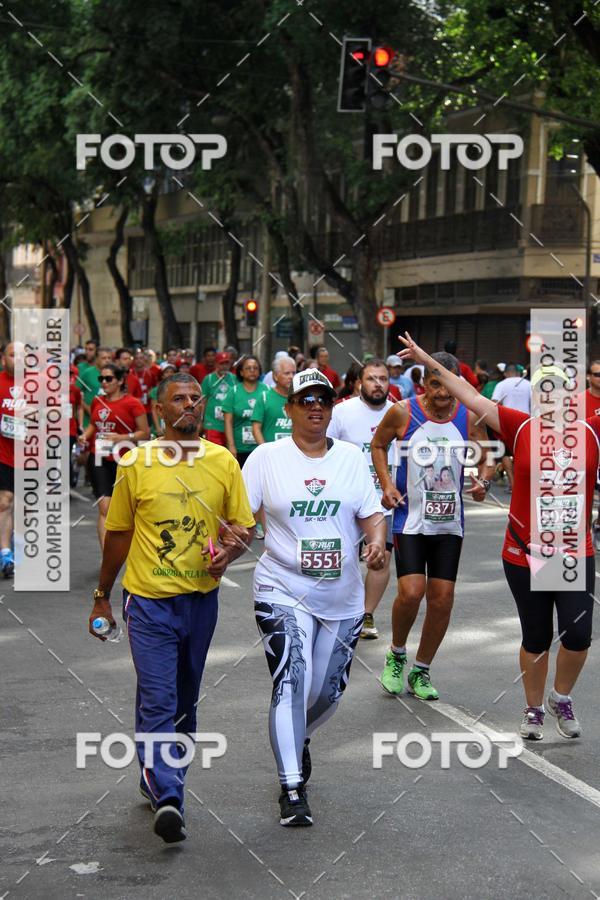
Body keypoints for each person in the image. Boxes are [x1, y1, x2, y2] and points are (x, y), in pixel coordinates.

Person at [396, 332, 599, 741]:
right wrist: (423, 358)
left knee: (577, 636)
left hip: (573, 551)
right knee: (537, 635)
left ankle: (561, 697)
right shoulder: (519, 427)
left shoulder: (592, 431)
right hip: (524, 551)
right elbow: (467, 393)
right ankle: (533, 709)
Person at [89, 373, 255, 843]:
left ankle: (154, 773)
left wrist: (230, 551)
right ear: (159, 409)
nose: (188, 404)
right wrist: (102, 593)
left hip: (201, 602)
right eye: (177, 399)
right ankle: (170, 796)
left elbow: (242, 527)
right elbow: (118, 533)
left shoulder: (222, 461)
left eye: (194, 399)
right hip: (147, 603)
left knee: (183, 699)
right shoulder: (137, 463)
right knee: (158, 695)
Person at [242, 369, 386, 826]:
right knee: (292, 679)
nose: (315, 407)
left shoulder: (349, 457)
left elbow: (372, 513)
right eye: (305, 400)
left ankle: (295, 737)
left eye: (323, 398)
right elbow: (240, 520)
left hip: (342, 595)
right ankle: (290, 787)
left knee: (329, 691)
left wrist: (377, 542)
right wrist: (223, 548)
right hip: (281, 587)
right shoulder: (265, 458)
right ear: (289, 409)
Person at [371, 351, 495, 701]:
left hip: (449, 525)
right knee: (411, 593)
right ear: (424, 383)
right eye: (436, 385)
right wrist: (387, 485)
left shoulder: (468, 416)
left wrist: (483, 481)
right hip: (409, 519)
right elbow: (378, 445)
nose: (443, 395)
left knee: (442, 600)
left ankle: (421, 670)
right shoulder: (403, 412)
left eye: (449, 387)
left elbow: (488, 455)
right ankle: (396, 654)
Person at [328, 359, 396, 639]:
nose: (377, 384)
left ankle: (365, 615)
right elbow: (325, 450)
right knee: (343, 560)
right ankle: (339, 611)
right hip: (346, 499)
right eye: (371, 379)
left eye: (383, 379)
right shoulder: (341, 413)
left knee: (380, 559)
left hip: (383, 501)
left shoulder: (399, 412)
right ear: (359, 383)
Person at [79, 363, 149, 547]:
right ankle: (106, 556)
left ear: (119, 381)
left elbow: (145, 433)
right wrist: (84, 436)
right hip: (99, 457)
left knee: (127, 510)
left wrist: (121, 438)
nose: (104, 382)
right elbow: (94, 425)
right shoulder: (97, 401)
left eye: (108, 378)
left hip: (125, 460)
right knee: (105, 507)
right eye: (101, 378)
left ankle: (130, 548)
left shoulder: (132, 403)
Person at [492, 363, 531, 495]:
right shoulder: (528, 384)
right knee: (521, 453)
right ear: (518, 373)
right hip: (525, 423)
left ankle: (512, 483)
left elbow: (494, 404)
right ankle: (522, 484)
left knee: (506, 453)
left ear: (505, 373)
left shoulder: (501, 384)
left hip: (506, 422)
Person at [222, 355, 269, 467]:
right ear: (241, 372)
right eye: (248, 368)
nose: (252, 370)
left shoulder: (267, 390)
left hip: (262, 447)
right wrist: (231, 446)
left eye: (255, 368)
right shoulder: (233, 392)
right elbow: (228, 422)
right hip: (240, 449)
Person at [0, 343, 18, 575]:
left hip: (33, 455)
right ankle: (5, 552)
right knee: (5, 501)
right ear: (4, 359)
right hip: (4, 452)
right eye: (13, 355)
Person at [251, 355, 296, 444]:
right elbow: (256, 428)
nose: (291, 377)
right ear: (275, 376)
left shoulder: (299, 398)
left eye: (294, 373)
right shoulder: (264, 397)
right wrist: (264, 450)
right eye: (287, 373)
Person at [78, 345, 113, 426]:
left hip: (109, 420)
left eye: (109, 358)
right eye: (103, 358)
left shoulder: (115, 374)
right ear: (97, 359)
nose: (107, 360)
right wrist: (87, 408)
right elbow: (77, 393)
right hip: (89, 420)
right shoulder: (88, 373)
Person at [150, 362, 177, 436]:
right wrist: (158, 428)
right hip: (160, 425)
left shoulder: (179, 390)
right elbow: (154, 409)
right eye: (167, 372)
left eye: (172, 372)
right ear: (162, 375)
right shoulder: (156, 390)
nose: (169, 374)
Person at [132, 349, 157, 425]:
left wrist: (151, 393)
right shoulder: (130, 373)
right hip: (133, 408)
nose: (139, 360)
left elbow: (155, 388)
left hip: (147, 408)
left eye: (141, 358)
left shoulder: (151, 374)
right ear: (133, 360)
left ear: (144, 360)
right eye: (136, 358)